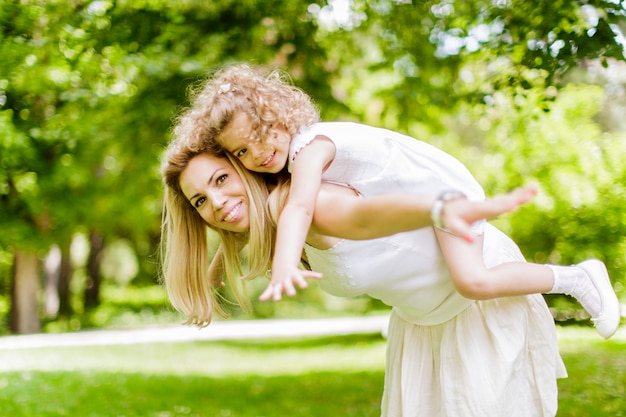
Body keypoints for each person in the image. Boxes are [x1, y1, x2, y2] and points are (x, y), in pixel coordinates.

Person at [173, 63, 620, 339]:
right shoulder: (283, 170)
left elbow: (302, 210)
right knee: (471, 281)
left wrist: (288, 262)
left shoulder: (310, 152)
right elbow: (242, 235)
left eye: (261, 136)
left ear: (278, 115)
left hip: (441, 195)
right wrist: (204, 287)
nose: (259, 154)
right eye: (244, 152)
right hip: (426, 232)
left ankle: (575, 278)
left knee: (473, 280)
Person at [160, 145, 568, 416]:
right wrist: (204, 282)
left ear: (247, 170)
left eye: (220, 180)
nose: (215, 203)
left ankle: (575, 279)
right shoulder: (277, 218)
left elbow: (366, 216)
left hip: (476, 300)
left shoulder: (312, 205)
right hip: (421, 323)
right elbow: (230, 232)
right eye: (199, 200)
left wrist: (442, 208)